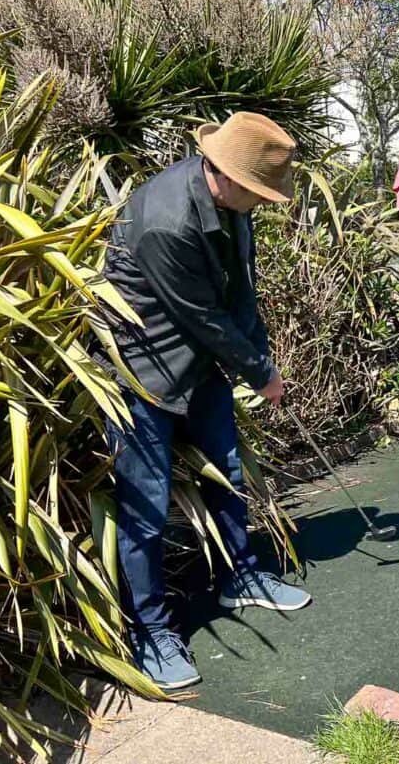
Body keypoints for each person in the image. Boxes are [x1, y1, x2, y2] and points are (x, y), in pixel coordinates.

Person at [101, 112, 311, 690]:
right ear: (226, 172)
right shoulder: (165, 219)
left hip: (200, 362)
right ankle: (150, 630)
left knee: (229, 470)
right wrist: (260, 373)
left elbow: (240, 292)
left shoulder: (232, 204)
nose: (266, 201)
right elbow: (202, 316)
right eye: (261, 191)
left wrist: (262, 361)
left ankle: (240, 576)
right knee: (144, 507)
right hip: (141, 372)